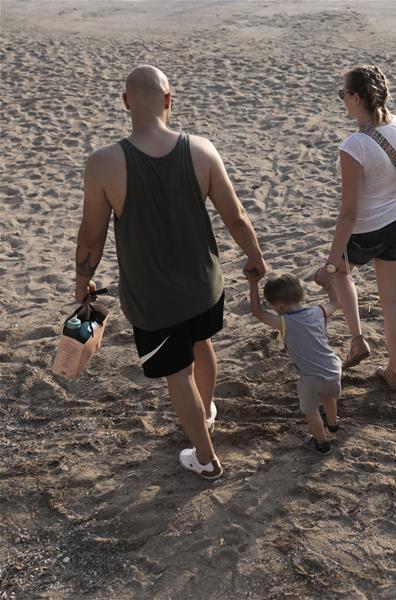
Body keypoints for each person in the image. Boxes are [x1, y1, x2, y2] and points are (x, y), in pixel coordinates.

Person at [74, 65, 267, 480]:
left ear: (126, 102)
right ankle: (207, 413)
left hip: (154, 299)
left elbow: (92, 237)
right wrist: (255, 257)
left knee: (177, 376)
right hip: (204, 286)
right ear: (169, 99)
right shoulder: (200, 149)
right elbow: (235, 217)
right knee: (202, 344)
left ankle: (205, 457)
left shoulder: (104, 163)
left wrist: (81, 280)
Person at [316, 65, 396, 392]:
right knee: (391, 299)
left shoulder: (354, 146)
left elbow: (349, 212)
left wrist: (331, 263)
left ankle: (358, 339)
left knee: (342, 273)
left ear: (357, 97)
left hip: (368, 229)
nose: (342, 101)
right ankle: (394, 370)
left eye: (342, 95)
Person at [249, 273, 341, 455]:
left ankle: (321, 444)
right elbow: (336, 302)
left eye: (274, 307)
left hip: (310, 378)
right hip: (333, 368)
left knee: (311, 411)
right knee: (329, 397)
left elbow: (257, 312)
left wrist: (253, 283)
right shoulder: (319, 312)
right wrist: (329, 285)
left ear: (280, 306)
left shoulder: (284, 322)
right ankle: (333, 424)